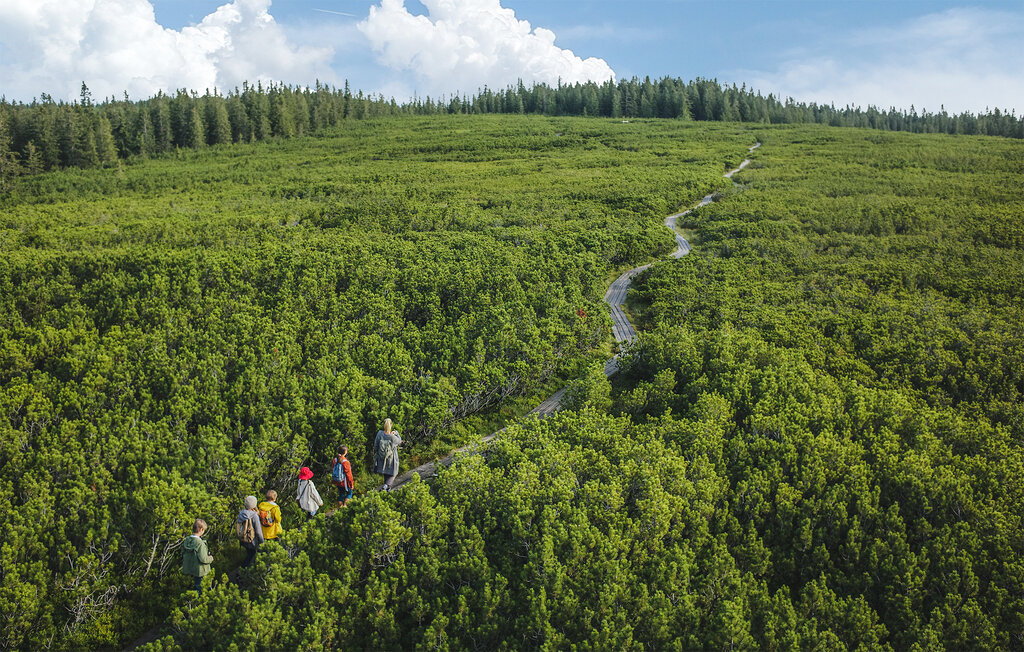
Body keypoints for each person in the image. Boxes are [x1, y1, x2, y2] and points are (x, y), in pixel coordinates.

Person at [181, 518, 213, 595]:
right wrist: (210, 559)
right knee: (201, 590)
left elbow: (182, 553)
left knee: (193, 588)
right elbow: (203, 559)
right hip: (200, 571)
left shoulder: (186, 540)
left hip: (189, 569)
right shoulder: (200, 543)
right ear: (201, 529)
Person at [373, 418, 402, 491]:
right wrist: (396, 433)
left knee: (386, 473)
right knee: (393, 473)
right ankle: (386, 486)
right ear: (391, 425)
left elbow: (376, 445)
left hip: (381, 458)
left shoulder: (380, 433)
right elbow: (399, 441)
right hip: (391, 458)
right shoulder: (392, 437)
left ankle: (387, 488)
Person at [236, 495, 264, 568]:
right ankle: (244, 571)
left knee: (249, 554)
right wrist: (262, 541)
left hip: (243, 539)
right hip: (252, 540)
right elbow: (258, 531)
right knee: (252, 556)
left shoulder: (241, 513)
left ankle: (243, 570)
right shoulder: (254, 516)